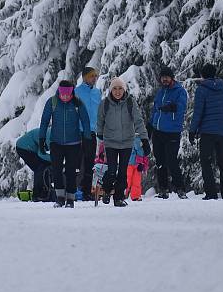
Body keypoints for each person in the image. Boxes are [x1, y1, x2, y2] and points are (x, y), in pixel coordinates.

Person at [97, 77, 150, 207]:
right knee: (111, 170)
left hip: (127, 142)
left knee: (122, 171)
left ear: (124, 89)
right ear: (111, 90)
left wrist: (144, 139)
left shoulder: (130, 102)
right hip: (110, 142)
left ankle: (118, 198)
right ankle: (107, 189)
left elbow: (138, 121)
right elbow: (100, 120)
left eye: (120, 88)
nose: (117, 91)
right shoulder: (105, 103)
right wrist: (99, 135)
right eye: (114, 88)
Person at [39, 80, 91, 208]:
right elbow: (44, 121)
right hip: (56, 142)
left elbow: (85, 121)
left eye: (68, 95)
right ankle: (60, 197)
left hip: (74, 143)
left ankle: (71, 199)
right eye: (63, 95)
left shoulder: (78, 103)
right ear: (60, 92)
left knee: (71, 171)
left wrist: (87, 139)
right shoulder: (52, 102)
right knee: (56, 170)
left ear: (72, 93)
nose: (66, 97)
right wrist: (41, 139)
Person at [188, 63, 223, 200]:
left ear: (202, 75)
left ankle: (211, 193)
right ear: (214, 74)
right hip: (222, 132)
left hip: (207, 132)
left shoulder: (201, 90)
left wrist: (192, 131)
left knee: (206, 162)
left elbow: (198, 113)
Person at [148, 66, 188, 199]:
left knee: (172, 161)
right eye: (162, 77)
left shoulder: (179, 91)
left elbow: (182, 108)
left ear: (172, 78)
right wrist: (150, 125)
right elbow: (155, 109)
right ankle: (163, 189)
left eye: (167, 77)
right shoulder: (160, 92)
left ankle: (180, 189)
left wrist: (172, 107)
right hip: (158, 131)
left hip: (172, 131)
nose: (164, 79)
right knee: (160, 161)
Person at [75, 67, 101, 201]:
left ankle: (86, 192)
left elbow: (100, 112)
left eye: (96, 76)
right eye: (92, 76)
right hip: (79, 131)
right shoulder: (77, 92)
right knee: (78, 162)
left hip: (92, 132)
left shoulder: (97, 92)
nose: (94, 78)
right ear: (84, 77)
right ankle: (74, 190)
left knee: (90, 162)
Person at [16, 128, 52, 202]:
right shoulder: (49, 137)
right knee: (39, 168)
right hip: (23, 147)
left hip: (30, 148)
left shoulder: (53, 137)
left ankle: (44, 191)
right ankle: (38, 194)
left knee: (42, 168)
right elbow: (41, 154)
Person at [126, 137, 149, 201]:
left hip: (136, 163)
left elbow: (142, 152)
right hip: (129, 162)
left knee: (136, 180)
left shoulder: (140, 138)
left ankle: (135, 195)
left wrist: (141, 163)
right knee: (128, 179)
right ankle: (124, 193)